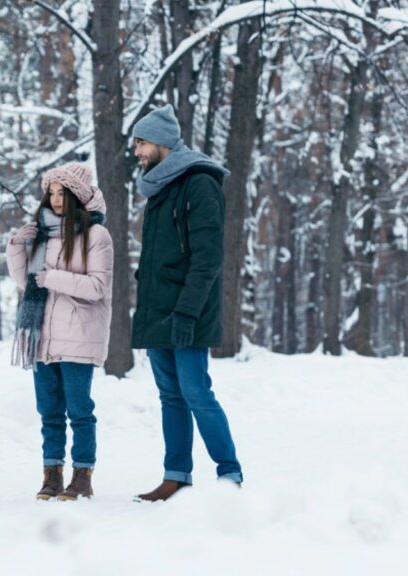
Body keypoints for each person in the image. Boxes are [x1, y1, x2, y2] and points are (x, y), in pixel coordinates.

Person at [129, 104, 243, 502]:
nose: (137, 151)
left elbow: (208, 257)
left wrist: (187, 310)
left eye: (141, 142)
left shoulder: (199, 182)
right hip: (158, 310)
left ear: (161, 142)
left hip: (188, 311)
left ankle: (230, 474)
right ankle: (176, 476)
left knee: (196, 392)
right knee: (170, 396)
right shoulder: (161, 188)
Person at [6, 163, 114, 501]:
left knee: (79, 410)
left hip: (79, 334)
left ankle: (82, 475)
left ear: (76, 196)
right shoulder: (43, 233)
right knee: (49, 411)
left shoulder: (97, 235)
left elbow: (98, 286)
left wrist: (52, 277)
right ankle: (51, 474)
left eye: (60, 193)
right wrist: (15, 248)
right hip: (42, 337)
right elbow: (27, 284)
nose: (54, 200)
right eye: (50, 193)